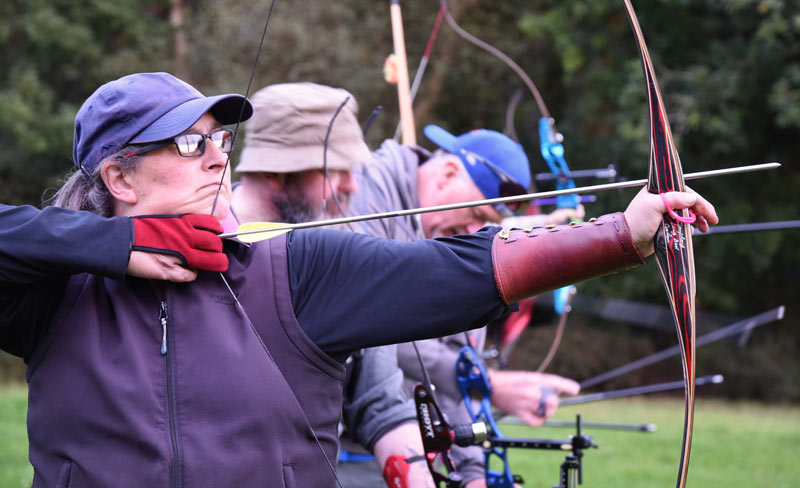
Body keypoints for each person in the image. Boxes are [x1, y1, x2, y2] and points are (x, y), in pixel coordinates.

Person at [0, 72, 717, 488]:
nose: (217, 158)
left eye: (221, 140)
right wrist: (106, 244)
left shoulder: (292, 268)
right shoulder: (53, 292)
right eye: (190, 143)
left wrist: (622, 235)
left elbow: (461, 269)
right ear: (119, 176)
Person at [344, 126, 590, 485]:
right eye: (477, 215)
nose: (474, 230)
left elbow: (463, 363)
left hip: (395, 449)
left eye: (488, 225)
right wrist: (486, 383)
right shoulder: (367, 197)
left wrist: (473, 475)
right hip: (335, 449)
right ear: (447, 174)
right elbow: (372, 326)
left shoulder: (456, 240)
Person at [229, 81, 432, 486]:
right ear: (273, 171)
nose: (352, 186)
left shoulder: (342, 261)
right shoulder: (196, 253)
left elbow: (382, 405)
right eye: (334, 169)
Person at [230, 82, 369, 225]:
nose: (353, 186)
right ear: (272, 173)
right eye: (331, 172)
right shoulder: (214, 242)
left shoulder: (328, 227)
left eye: (351, 168)